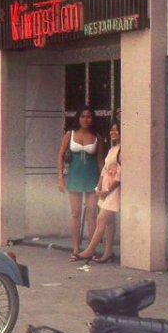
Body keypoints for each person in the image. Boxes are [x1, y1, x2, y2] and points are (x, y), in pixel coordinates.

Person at [58, 106, 104, 261]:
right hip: (74, 176)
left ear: (92, 118)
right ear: (78, 118)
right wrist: (60, 177)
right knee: (75, 213)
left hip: (92, 176)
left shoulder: (97, 136)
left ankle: (91, 249)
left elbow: (100, 160)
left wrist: (102, 181)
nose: (85, 119)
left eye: (89, 116)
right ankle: (76, 249)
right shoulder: (70, 134)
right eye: (83, 116)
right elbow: (60, 155)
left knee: (92, 213)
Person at [75, 120, 120, 263]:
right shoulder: (112, 149)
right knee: (109, 222)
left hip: (114, 190)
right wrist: (99, 186)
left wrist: (107, 190)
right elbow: (104, 170)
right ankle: (108, 252)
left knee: (101, 218)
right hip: (106, 188)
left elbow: (120, 175)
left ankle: (89, 250)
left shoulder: (122, 150)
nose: (113, 132)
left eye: (116, 130)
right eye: (111, 130)